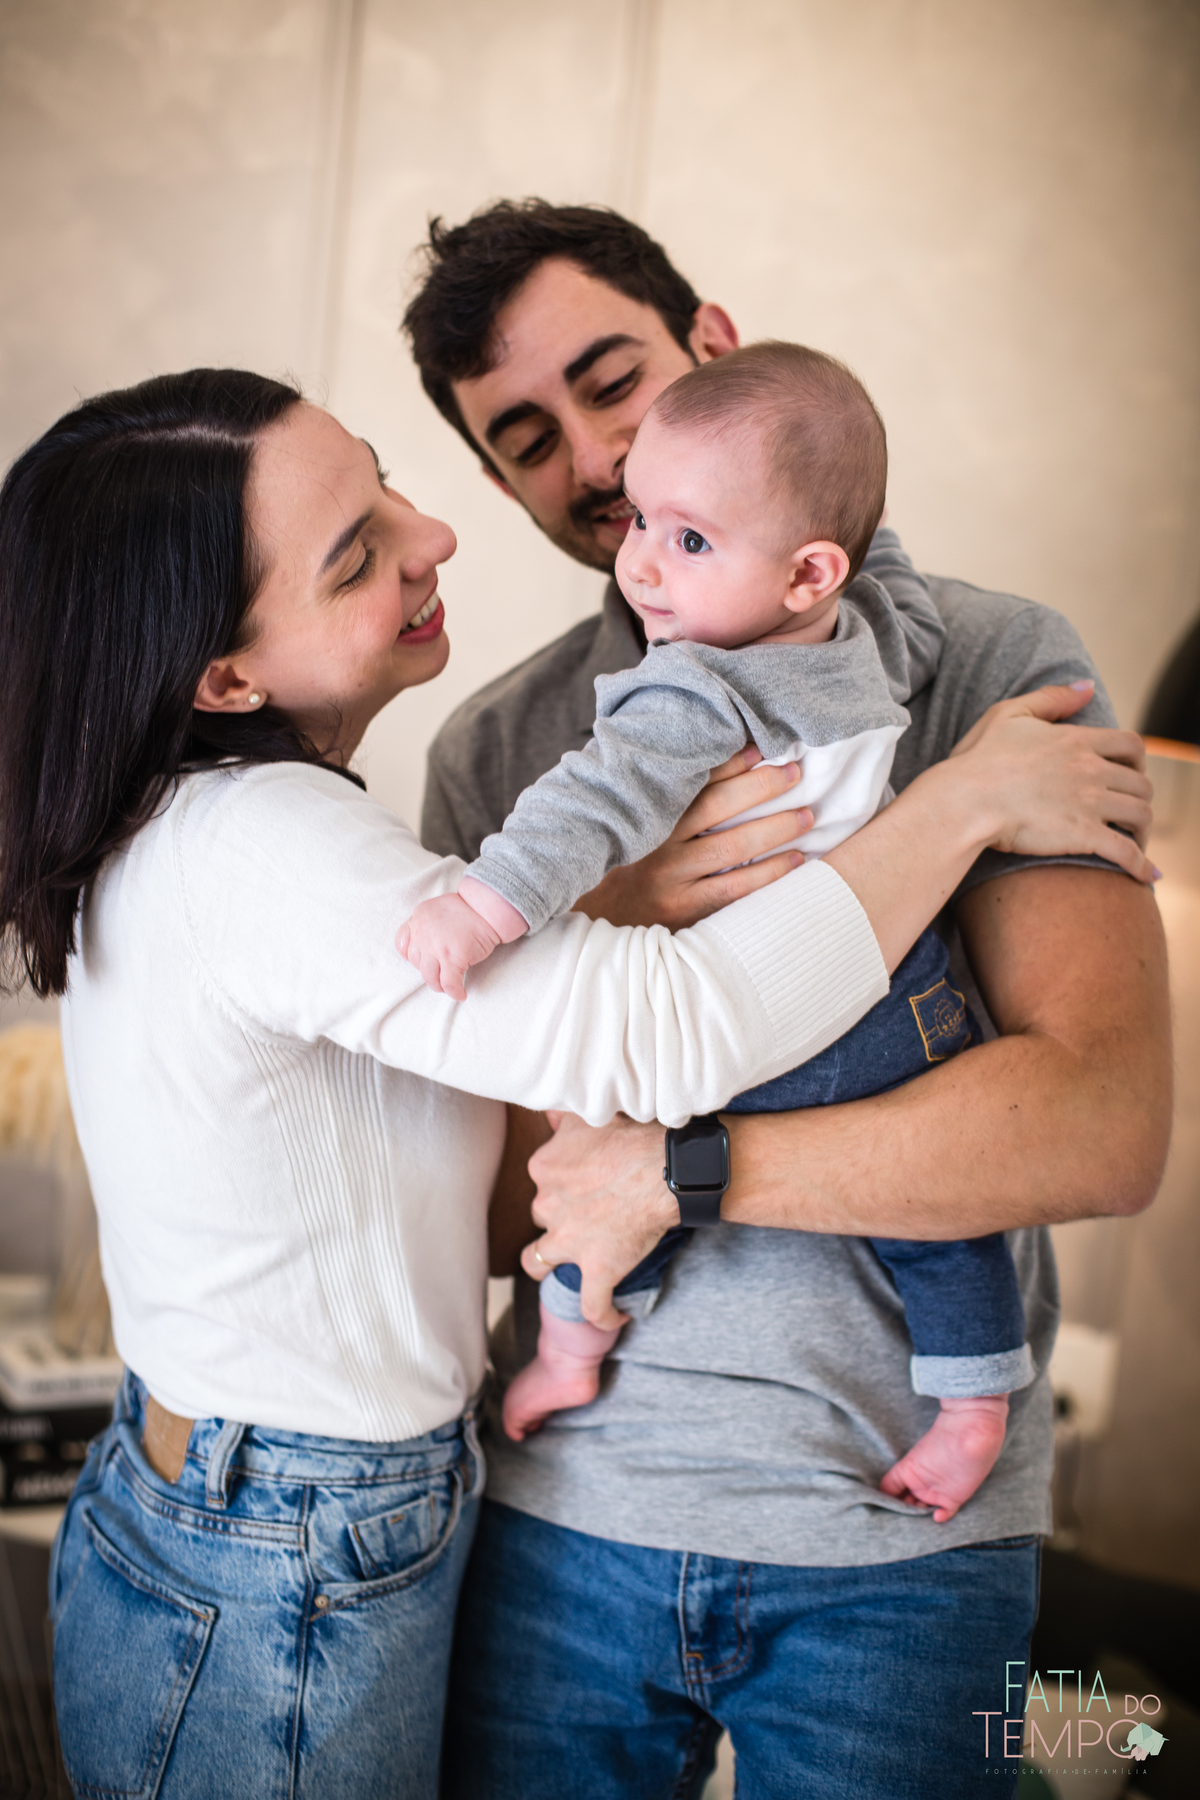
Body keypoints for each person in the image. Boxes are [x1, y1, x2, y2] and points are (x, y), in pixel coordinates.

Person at [0, 372, 1115, 1798]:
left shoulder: (987, 650)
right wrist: (960, 802)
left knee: (1104, 1737)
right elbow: (637, 1058)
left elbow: (1107, 1129)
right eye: (359, 547)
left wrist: (651, 1089)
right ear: (224, 677)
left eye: (388, 481)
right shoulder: (317, 830)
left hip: (833, 1548)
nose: (436, 535)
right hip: (345, 1527)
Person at [403, 200, 1172, 1797]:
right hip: (560, 1523)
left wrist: (678, 1172)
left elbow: (1101, 1128)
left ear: (713, 346)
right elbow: (469, 1211)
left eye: (612, 380)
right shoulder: (500, 747)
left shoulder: (996, 671)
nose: (596, 461)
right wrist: (612, 916)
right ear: (497, 483)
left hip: (905, 1551)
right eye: (526, 438)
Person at [403, 339, 1042, 1522]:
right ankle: (971, 1407)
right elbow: (889, 576)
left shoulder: (691, 687)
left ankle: (569, 1344)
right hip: (895, 998)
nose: (643, 564)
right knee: (946, 1225)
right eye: (645, 521)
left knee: (589, 1133)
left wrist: (481, 906)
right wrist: (841, 496)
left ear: (803, 570)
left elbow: (584, 809)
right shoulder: (870, 642)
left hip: (740, 1016)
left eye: (688, 540)